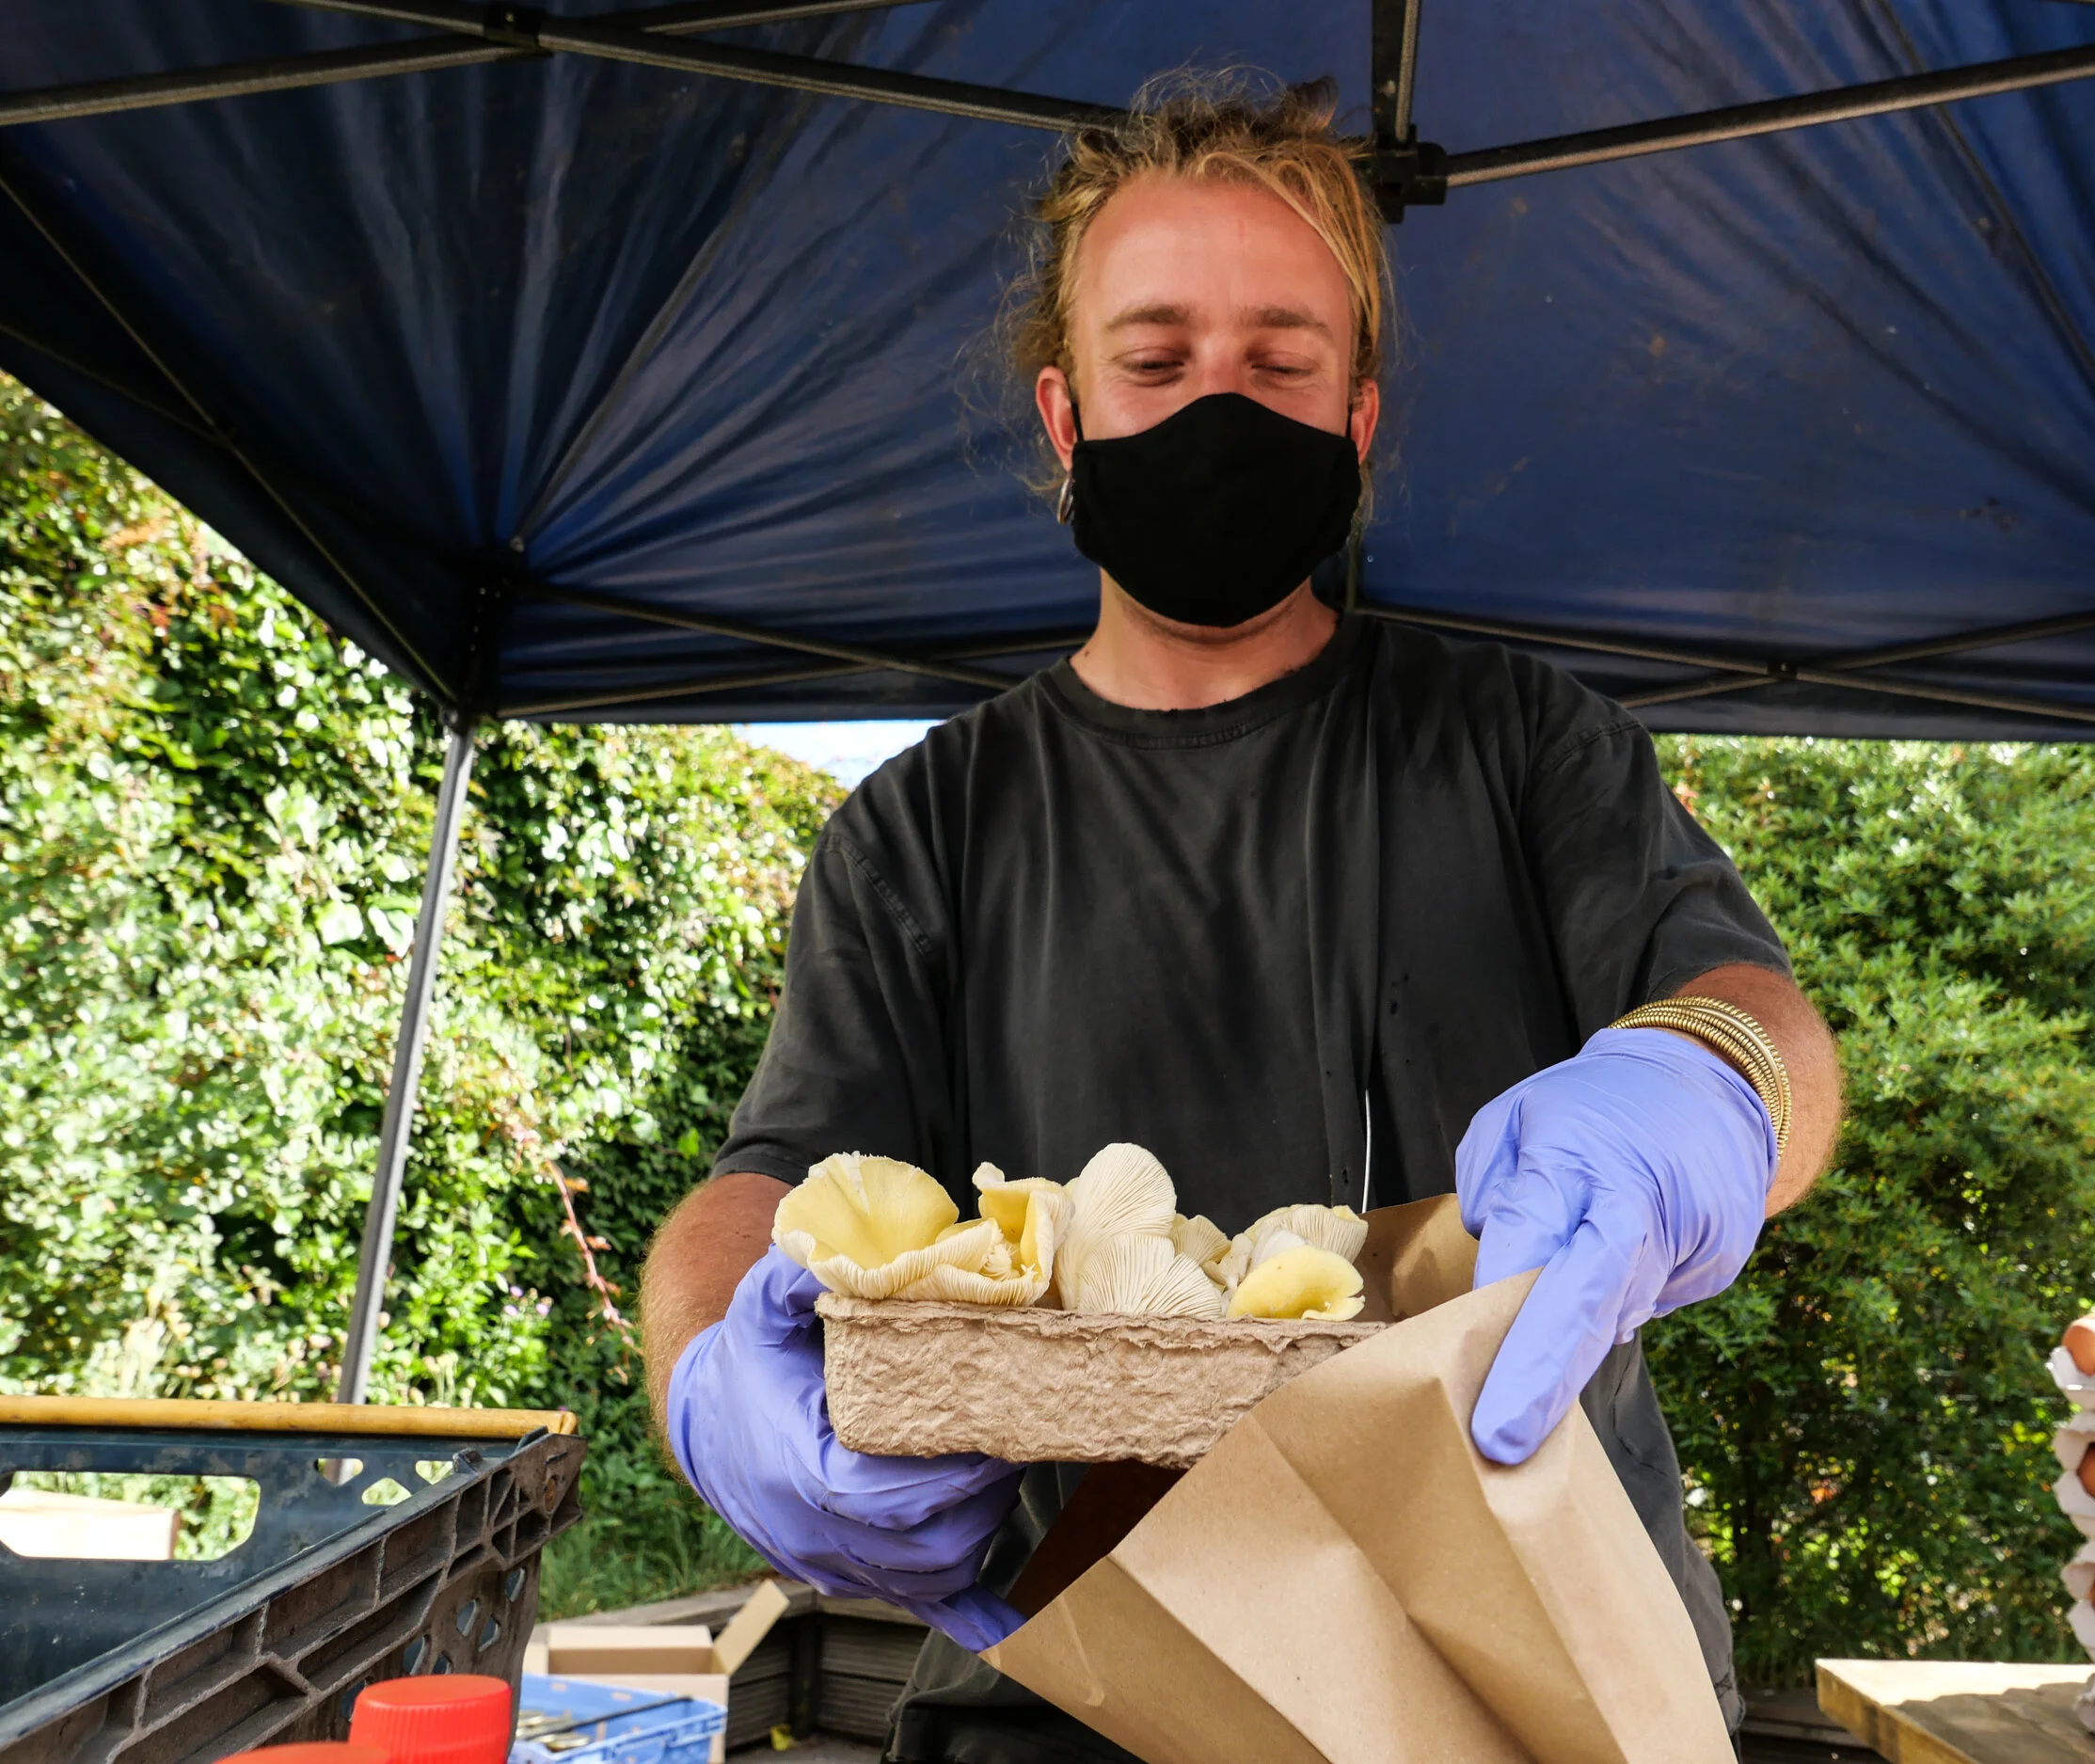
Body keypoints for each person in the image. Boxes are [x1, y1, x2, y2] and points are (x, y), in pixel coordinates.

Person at [642, 73, 1839, 1764]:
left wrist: (1705, 1090)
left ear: (1355, 424)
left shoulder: (1518, 742)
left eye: (1280, 363)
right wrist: (709, 1377)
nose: (1220, 404)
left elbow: (1761, 1016)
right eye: (1157, 360)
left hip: (1532, 1670)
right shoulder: (926, 826)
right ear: (1066, 422)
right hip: (1070, 1680)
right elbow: (764, 1187)